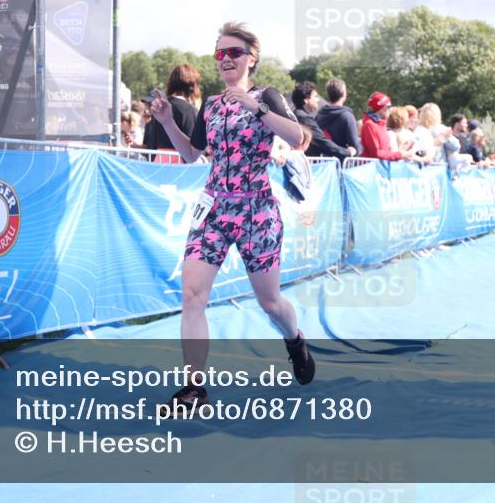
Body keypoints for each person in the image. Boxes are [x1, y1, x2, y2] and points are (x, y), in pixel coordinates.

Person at [149, 22, 314, 412]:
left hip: (257, 209)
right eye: (219, 53)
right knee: (191, 295)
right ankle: (194, 388)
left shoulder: (267, 95)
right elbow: (193, 156)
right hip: (214, 207)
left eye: (233, 52)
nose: (224, 59)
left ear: (251, 59)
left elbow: (299, 140)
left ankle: (294, 339)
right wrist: (168, 121)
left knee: (271, 304)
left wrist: (255, 107)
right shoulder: (211, 104)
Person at [144, 64, 202, 162]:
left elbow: (151, 142)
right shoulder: (190, 110)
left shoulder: (159, 107)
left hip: (158, 162)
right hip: (181, 166)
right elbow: (194, 146)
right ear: (192, 85)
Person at [291, 81, 356, 160]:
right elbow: (322, 142)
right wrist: (347, 152)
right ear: (306, 100)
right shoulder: (304, 118)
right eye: (315, 96)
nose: (317, 99)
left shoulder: (297, 114)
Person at [316, 78, 362, 156]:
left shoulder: (319, 115)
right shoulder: (347, 116)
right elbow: (355, 147)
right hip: (341, 163)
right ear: (344, 94)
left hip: (322, 163)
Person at [360, 92, 404, 160]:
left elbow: (386, 151)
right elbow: (376, 153)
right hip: (371, 168)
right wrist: (399, 155)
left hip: (380, 168)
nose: (390, 110)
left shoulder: (381, 124)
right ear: (380, 108)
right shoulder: (369, 125)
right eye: (388, 107)